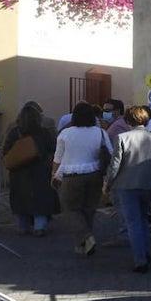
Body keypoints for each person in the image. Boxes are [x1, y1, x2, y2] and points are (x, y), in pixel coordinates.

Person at [103, 106, 151, 273]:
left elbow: (115, 164)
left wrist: (107, 183)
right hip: (149, 184)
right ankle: (144, 253)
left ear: (127, 120)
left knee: (133, 222)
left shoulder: (122, 138)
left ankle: (140, 259)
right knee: (143, 219)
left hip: (126, 185)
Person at [52, 101, 113, 256]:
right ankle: (83, 244)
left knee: (70, 208)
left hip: (71, 175)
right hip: (94, 174)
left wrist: (54, 175)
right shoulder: (100, 132)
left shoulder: (65, 134)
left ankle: (86, 237)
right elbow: (110, 153)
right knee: (88, 210)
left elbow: (58, 158)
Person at [2, 103, 61, 236]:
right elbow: (53, 149)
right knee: (40, 199)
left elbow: (5, 150)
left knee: (21, 199)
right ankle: (39, 226)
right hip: (41, 171)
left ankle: (23, 226)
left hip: (19, 172)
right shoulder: (44, 133)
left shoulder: (14, 132)